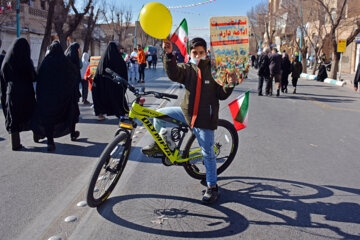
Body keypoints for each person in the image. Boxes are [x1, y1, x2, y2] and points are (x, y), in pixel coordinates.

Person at [142, 37, 238, 204]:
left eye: (201, 52)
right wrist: (169, 54)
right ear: (190, 53)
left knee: (208, 153)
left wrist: (229, 84)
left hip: (204, 118)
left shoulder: (215, 70)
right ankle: (167, 145)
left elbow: (221, 94)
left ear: (206, 52)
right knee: (159, 114)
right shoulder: (187, 68)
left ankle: (212, 187)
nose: (198, 55)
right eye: (195, 52)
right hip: (186, 113)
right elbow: (173, 73)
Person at [32, 41, 80, 151]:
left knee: (48, 119)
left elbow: (40, 80)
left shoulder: (46, 62)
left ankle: (50, 142)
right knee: (68, 113)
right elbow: (74, 75)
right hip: (62, 98)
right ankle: (72, 133)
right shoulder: (65, 62)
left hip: (47, 98)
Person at [0, 38, 36, 150]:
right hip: (27, 93)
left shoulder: (7, 61)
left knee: (14, 118)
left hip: (12, 93)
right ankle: (38, 135)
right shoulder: (26, 61)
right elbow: (33, 76)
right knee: (32, 115)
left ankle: (15, 144)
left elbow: (3, 78)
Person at [91, 42, 129, 120]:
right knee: (117, 99)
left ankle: (100, 115)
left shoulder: (103, 60)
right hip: (115, 84)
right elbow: (123, 72)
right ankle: (122, 114)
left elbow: (98, 74)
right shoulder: (118, 59)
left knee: (102, 98)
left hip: (103, 85)